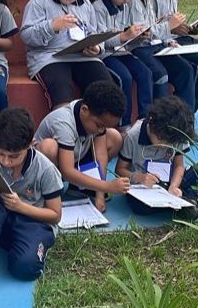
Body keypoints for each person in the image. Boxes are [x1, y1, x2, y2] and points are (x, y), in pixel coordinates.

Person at [0, 108, 63, 306]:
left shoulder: (45, 169)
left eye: (14, 156)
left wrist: (20, 206)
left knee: (25, 269)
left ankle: (26, 246)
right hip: (3, 218)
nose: (6, 161)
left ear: (30, 144)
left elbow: (55, 215)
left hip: (34, 222)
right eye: (0, 153)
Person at [20, 0, 112, 110]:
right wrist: (52, 26)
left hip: (82, 57)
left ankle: (95, 132)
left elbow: (93, 33)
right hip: (49, 57)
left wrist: (96, 48)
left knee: (106, 90)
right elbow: (26, 36)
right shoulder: (39, 2)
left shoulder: (86, 5)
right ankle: (63, 131)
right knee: (62, 92)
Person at [115, 96, 198, 221]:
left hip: (175, 183)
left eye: (170, 144)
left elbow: (179, 165)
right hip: (147, 186)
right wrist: (139, 177)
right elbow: (120, 169)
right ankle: (188, 203)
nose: (165, 146)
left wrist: (174, 186)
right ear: (151, 123)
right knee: (139, 207)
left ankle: (190, 199)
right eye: (162, 140)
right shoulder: (134, 136)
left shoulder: (177, 133)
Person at [36, 81, 129, 213]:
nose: (101, 130)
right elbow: (67, 171)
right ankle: (50, 189)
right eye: (99, 125)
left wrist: (100, 194)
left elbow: (101, 154)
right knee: (49, 147)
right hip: (56, 164)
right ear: (84, 110)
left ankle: (79, 186)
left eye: (105, 126)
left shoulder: (94, 114)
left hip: (76, 156)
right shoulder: (64, 122)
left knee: (115, 137)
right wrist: (107, 186)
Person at [90, 0, 152, 131]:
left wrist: (137, 37)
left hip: (121, 52)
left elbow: (124, 35)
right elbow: (100, 39)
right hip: (105, 55)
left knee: (145, 73)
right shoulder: (98, 8)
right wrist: (124, 35)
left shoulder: (123, 5)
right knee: (124, 77)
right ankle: (123, 125)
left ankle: (145, 120)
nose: (128, 0)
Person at [129, 0, 195, 110]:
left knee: (185, 69)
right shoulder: (133, 1)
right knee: (160, 75)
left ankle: (185, 121)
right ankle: (158, 122)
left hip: (157, 45)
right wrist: (169, 27)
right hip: (140, 49)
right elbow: (143, 33)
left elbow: (153, 25)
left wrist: (168, 40)